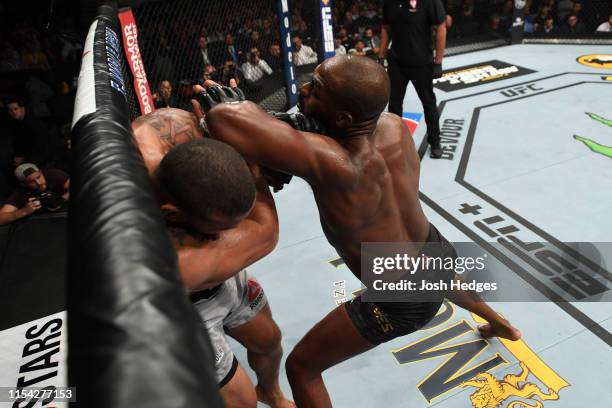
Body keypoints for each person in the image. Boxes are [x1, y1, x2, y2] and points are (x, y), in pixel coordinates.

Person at [193, 56, 521, 407]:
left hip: (400, 298)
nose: (303, 90)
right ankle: (502, 324)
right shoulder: (394, 125)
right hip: (431, 245)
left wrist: (234, 110)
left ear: (344, 118)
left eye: (316, 89)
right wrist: (301, 128)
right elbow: (311, 138)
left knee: (302, 367)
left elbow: (225, 120)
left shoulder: (334, 163)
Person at [131, 108, 294, 408]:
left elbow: (149, 128)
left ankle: (271, 392)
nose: (231, 232)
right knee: (241, 402)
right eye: (220, 228)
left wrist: (222, 123)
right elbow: (265, 230)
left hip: (224, 280)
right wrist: (253, 158)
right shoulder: (179, 265)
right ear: (172, 213)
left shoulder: (154, 140)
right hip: (185, 311)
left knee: (269, 342)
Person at [378, 0, 447, 159]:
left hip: (422, 62)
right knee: (394, 103)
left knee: (428, 102)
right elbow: (385, 28)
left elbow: (441, 28)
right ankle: (394, 142)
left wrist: (438, 61)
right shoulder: (390, 3)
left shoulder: (430, 2)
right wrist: (381, 57)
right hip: (397, 62)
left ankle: (435, 141)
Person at [0, 163, 69, 225]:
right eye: (31, 182)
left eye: (38, 177)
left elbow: (77, 188)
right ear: (23, 184)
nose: (38, 183)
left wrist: (62, 199)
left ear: (41, 172)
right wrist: (24, 211)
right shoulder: (21, 192)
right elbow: (1, 219)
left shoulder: (54, 175)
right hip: (43, 223)